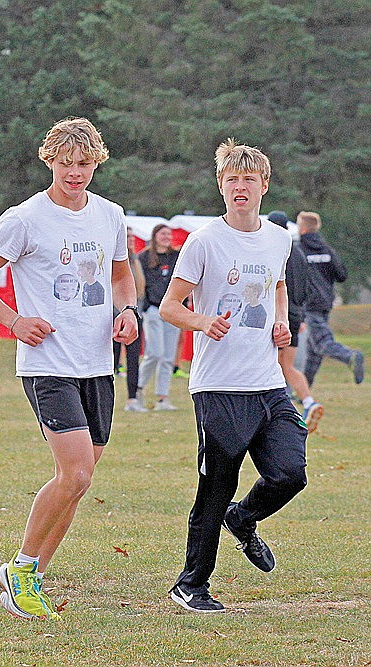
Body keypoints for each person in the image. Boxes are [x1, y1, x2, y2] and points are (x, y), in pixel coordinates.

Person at [0, 117, 139, 620]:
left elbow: (123, 277)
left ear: (96, 163)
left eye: (84, 164)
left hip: (98, 364)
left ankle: (33, 576)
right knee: (76, 471)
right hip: (48, 362)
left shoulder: (110, 216)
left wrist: (127, 311)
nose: (75, 173)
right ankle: (19, 569)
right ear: (49, 162)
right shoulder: (24, 219)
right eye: (66, 164)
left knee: (80, 481)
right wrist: (14, 321)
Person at [161, 139, 307, 613]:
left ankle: (242, 519)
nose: (239, 187)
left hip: (267, 383)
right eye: (231, 180)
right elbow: (169, 307)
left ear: (263, 185)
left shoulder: (278, 238)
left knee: (290, 474)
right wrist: (204, 322)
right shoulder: (204, 241)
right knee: (215, 485)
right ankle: (191, 585)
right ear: (221, 186)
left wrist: (280, 320)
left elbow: (278, 285)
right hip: (219, 387)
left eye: (248, 180)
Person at [266, 211, 323, 431]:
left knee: (270, 363)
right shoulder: (299, 253)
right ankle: (308, 402)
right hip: (296, 315)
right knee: (286, 365)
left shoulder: (275, 250)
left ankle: (280, 412)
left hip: (277, 315)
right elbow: (307, 287)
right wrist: (300, 316)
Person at [297, 211, 363, 385]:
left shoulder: (299, 250)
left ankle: (350, 356)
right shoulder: (327, 250)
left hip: (309, 304)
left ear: (303, 228)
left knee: (321, 343)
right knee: (313, 349)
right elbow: (341, 275)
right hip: (325, 302)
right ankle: (304, 389)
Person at [136, 224, 181, 410]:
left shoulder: (176, 257)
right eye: (163, 233)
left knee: (168, 356)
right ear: (154, 236)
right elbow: (139, 282)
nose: (167, 237)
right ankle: (137, 388)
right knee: (155, 352)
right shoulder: (144, 257)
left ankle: (163, 397)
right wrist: (142, 306)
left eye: (169, 234)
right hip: (153, 309)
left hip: (173, 310)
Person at [116, 227, 146, 412]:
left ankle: (132, 398)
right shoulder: (116, 260)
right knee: (111, 360)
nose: (131, 240)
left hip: (134, 315)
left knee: (134, 359)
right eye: (127, 237)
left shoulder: (136, 260)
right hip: (113, 316)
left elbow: (141, 288)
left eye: (132, 236)